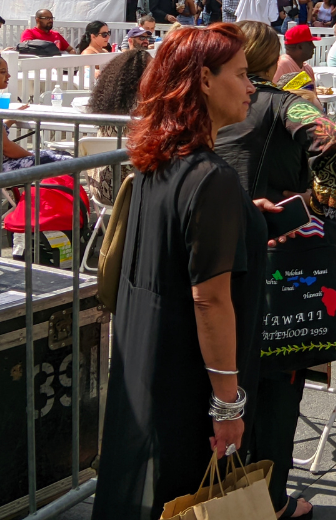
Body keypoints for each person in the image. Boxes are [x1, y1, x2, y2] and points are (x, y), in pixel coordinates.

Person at [212, 23, 336, 516]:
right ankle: (268, 501)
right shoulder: (279, 101)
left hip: (212, 251)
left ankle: (228, 496)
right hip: (276, 253)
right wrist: (328, 208)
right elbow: (334, 141)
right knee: (275, 381)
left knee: (225, 376)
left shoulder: (206, 102)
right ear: (273, 61)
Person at [90, 25, 266, 520]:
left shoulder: (158, 158)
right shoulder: (211, 176)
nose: (252, 87)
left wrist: (249, 217)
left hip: (148, 362)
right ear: (204, 81)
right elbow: (209, 298)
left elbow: (176, 241)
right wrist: (228, 405)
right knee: (186, 498)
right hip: (193, 377)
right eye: (242, 74)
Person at [84, 47, 151, 204]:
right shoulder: (143, 108)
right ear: (137, 78)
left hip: (99, 186)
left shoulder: (111, 106)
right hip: (130, 189)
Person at [275, 24, 317, 89]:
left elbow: (314, 97)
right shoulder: (282, 64)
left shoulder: (308, 69)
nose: (314, 46)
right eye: (310, 43)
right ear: (300, 47)